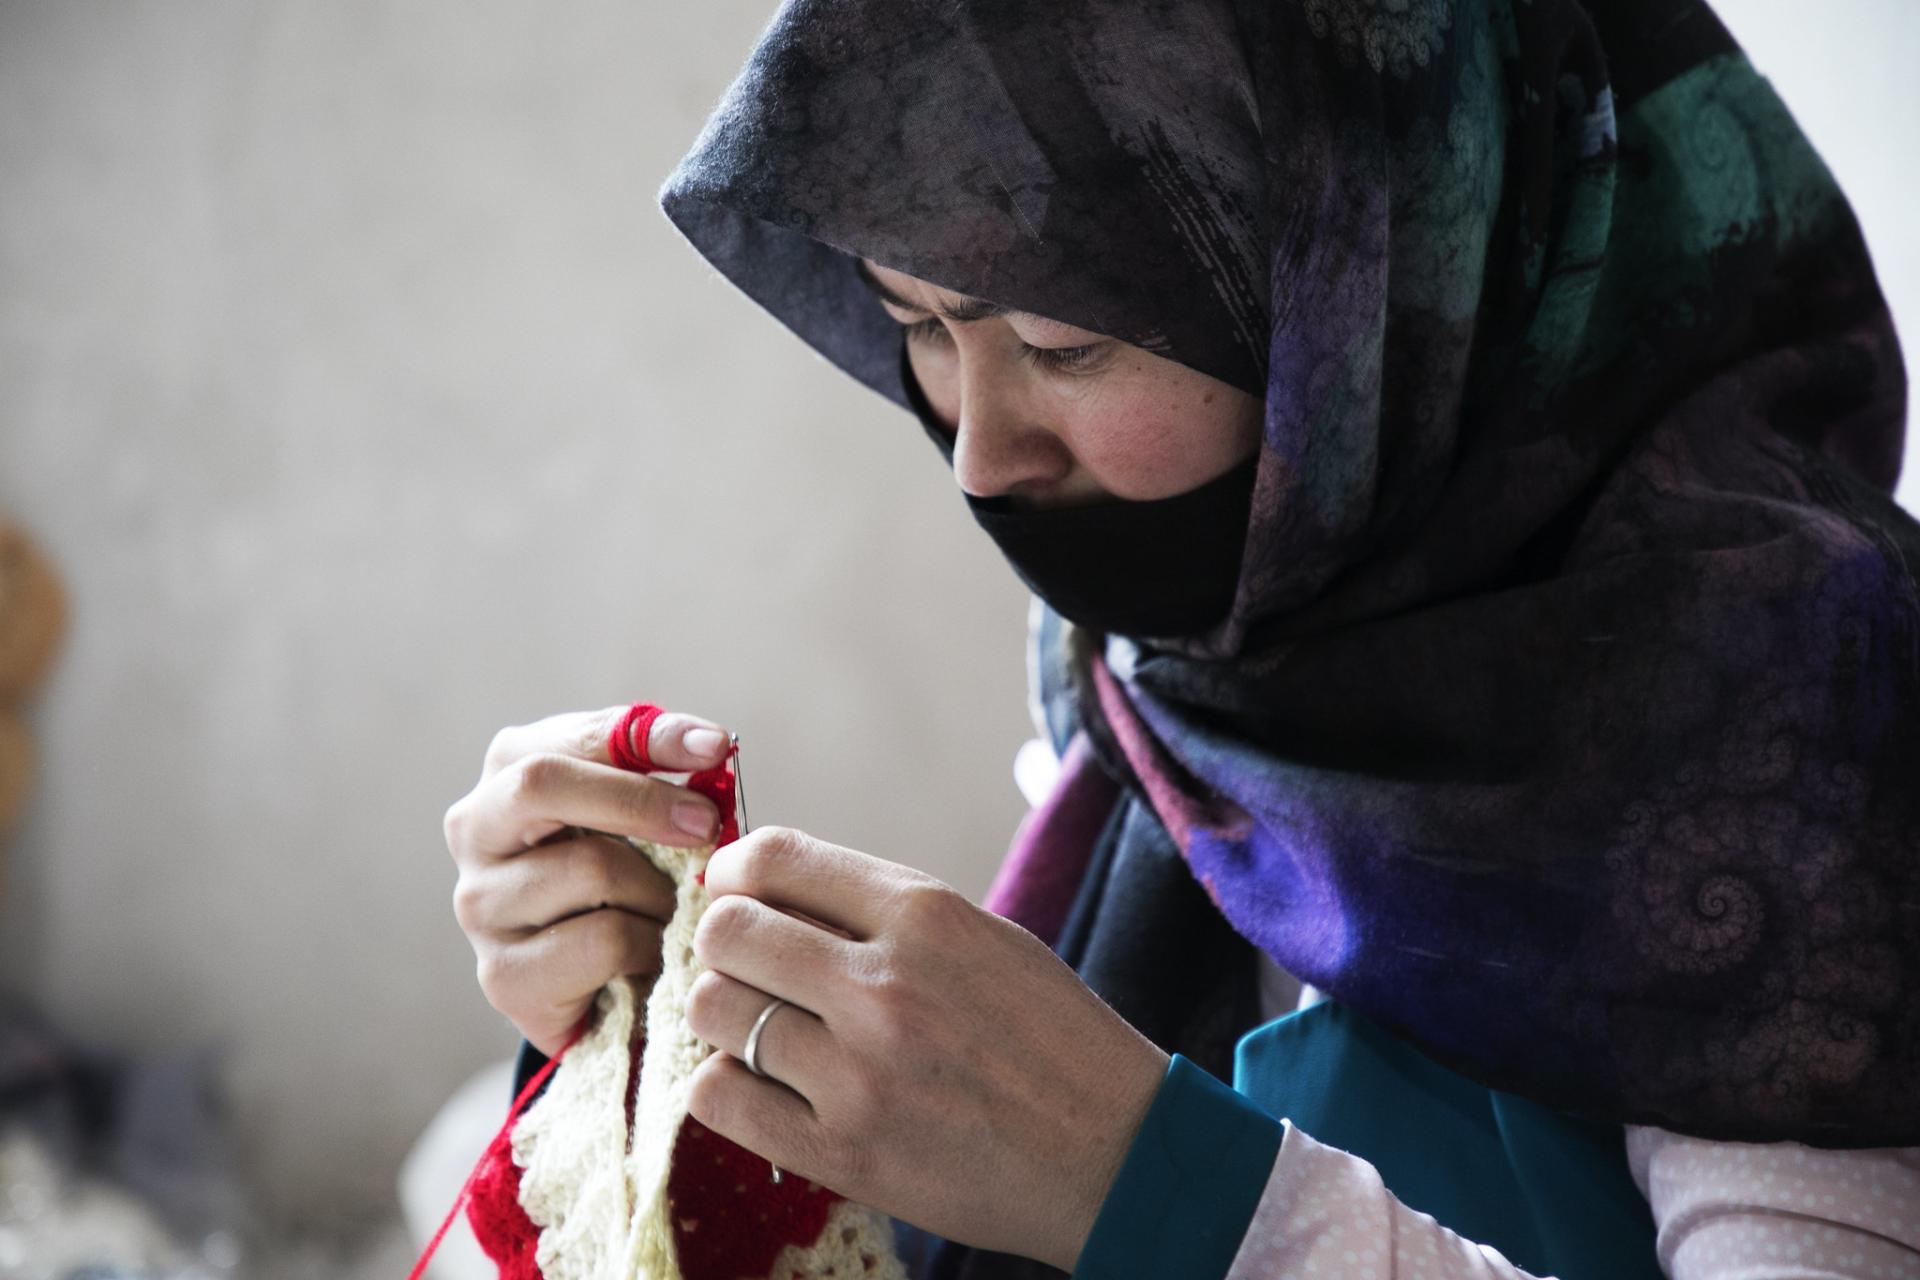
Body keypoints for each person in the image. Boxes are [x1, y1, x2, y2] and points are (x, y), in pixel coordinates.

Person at [440, 0, 1920, 1275]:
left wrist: (1145, 1179)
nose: (980, 449)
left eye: (1066, 344)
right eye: (920, 321)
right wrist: (641, 1025)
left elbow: (1097, 1185)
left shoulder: (1799, 709)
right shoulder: (1195, 628)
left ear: (1370, 277)